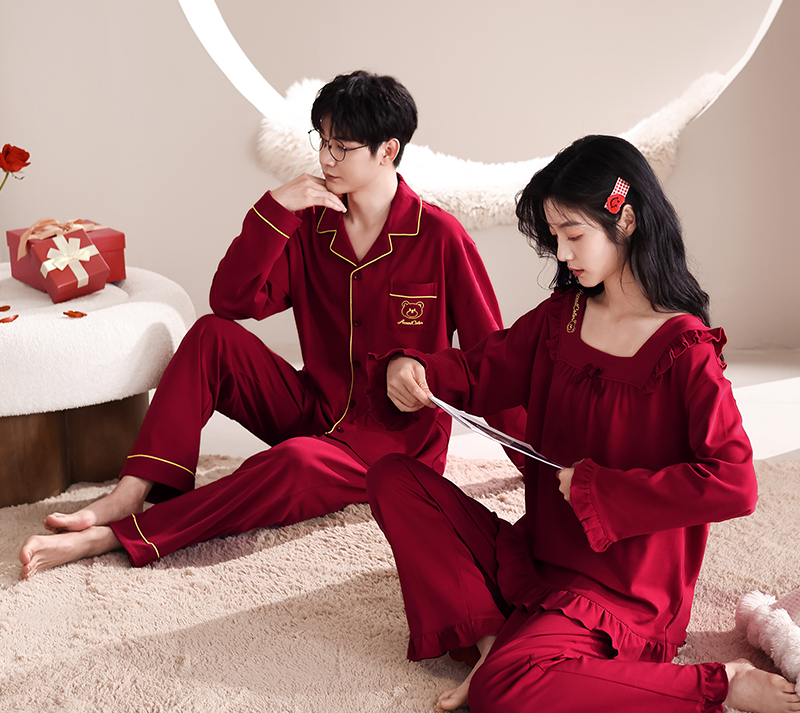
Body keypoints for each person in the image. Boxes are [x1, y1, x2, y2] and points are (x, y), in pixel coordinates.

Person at [366, 134, 800, 713]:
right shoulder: (561, 317)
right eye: (555, 236)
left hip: (622, 596)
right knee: (393, 478)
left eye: (573, 235)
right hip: (538, 557)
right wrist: (413, 368)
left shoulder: (685, 350)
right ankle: (495, 639)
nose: (562, 253)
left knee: (505, 694)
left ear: (626, 220)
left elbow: (734, 483)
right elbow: (479, 371)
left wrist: (605, 492)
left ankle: (720, 684)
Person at [20, 70, 522, 578]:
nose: (325, 159)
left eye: (341, 146)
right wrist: (274, 210)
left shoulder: (440, 237)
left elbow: (493, 362)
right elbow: (232, 302)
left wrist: (539, 466)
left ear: (387, 151)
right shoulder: (309, 224)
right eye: (322, 141)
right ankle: (131, 493)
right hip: (313, 407)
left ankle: (125, 535)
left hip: (392, 446)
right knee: (210, 335)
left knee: (296, 463)